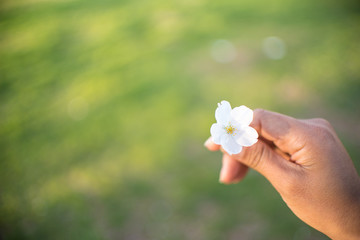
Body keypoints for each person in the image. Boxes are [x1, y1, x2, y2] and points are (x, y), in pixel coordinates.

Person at [204, 109, 360, 240]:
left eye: (231, 128)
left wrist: (351, 223)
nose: (231, 129)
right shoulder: (224, 127)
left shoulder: (239, 132)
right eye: (230, 129)